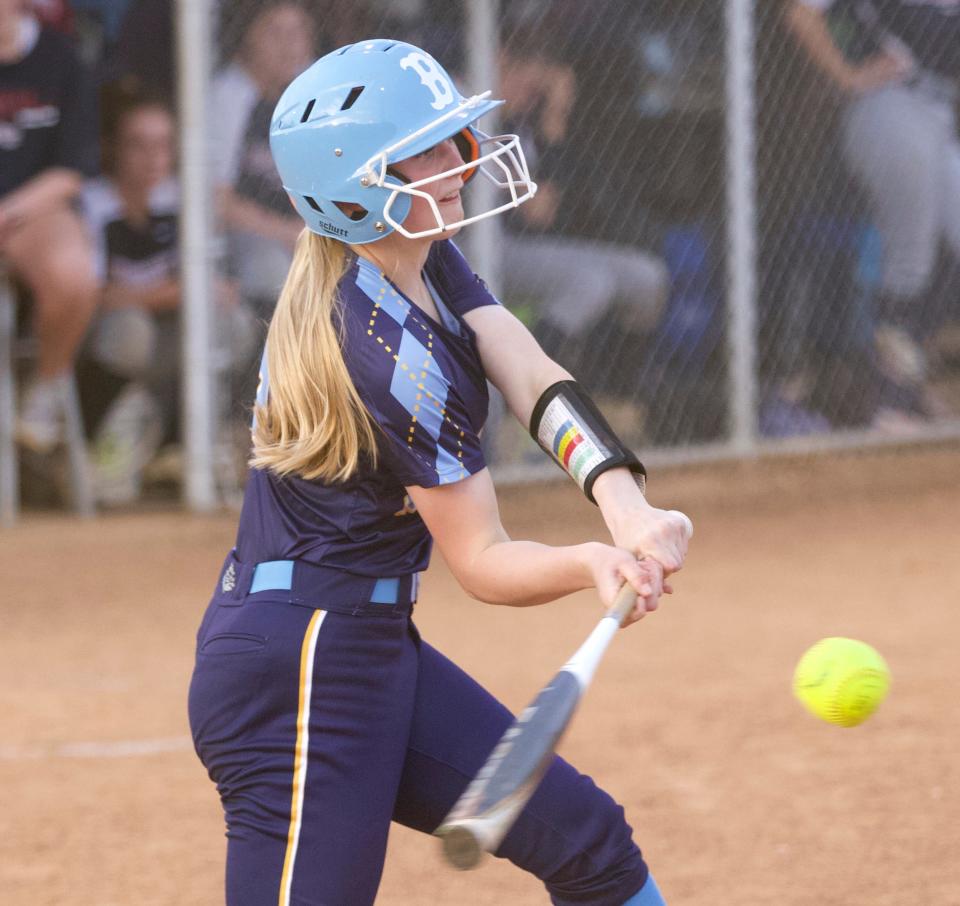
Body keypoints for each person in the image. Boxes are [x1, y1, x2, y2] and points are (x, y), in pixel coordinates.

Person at [187, 39, 691, 906]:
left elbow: (527, 370)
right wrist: (589, 564)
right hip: (299, 668)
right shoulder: (388, 357)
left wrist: (625, 505)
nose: (458, 162)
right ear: (355, 188)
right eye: (422, 150)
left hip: (369, 644)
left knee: (591, 845)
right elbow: (483, 560)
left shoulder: (408, 255)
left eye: (452, 137)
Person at [785, 0, 960, 418]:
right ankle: (891, 398)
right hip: (891, 104)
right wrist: (848, 77)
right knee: (910, 257)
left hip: (942, 113)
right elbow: (800, 13)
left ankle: (908, 386)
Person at [78, 96, 255, 504]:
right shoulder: (93, 201)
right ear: (112, 148)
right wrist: (179, 290)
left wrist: (173, 292)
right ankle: (98, 444)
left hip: (169, 340)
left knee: (234, 324)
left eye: (163, 144)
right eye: (138, 144)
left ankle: (179, 442)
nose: (153, 157)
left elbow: (218, 288)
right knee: (130, 329)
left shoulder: (182, 199)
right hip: (105, 346)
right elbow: (99, 297)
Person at [0, 0, 99, 453]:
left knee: (74, 275)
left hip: (32, 209)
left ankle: (44, 386)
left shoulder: (62, 59)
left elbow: (71, 172)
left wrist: (9, 210)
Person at [209, 1, 315, 322]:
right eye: (275, 32)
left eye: (297, 33)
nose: (289, 46)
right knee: (274, 271)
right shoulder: (227, 96)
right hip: (240, 238)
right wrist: (288, 232)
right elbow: (217, 204)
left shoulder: (307, 96)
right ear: (247, 36)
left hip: (299, 230)